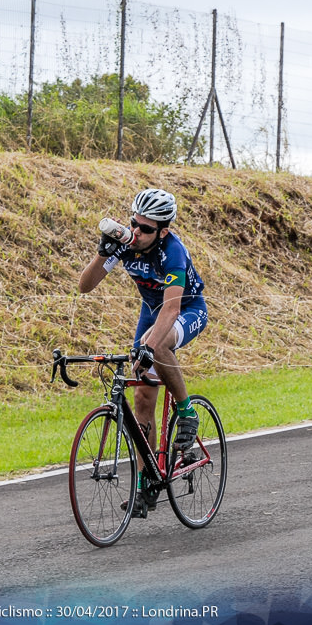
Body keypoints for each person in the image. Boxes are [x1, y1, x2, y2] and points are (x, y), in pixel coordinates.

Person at [78, 188, 208, 517]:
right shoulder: (127, 241)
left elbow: (172, 307)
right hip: (151, 311)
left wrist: (148, 348)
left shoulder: (172, 252)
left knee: (158, 343)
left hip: (186, 310)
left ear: (163, 231)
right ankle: (146, 483)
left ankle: (187, 412)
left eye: (146, 229)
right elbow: (85, 285)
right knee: (143, 402)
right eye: (135, 223)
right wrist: (101, 253)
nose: (137, 232)